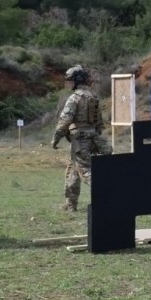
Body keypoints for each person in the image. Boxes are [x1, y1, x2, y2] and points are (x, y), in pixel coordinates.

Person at [51, 65, 112, 212]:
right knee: (73, 171)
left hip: (79, 140)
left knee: (85, 172)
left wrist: (56, 138)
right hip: (91, 138)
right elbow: (99, 123)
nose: (69, 84)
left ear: (77, 80)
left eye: (71, 81)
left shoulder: (74, 98)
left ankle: (111, 197)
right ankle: (71, 205)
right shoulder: (92, 97)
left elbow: (65, 120)